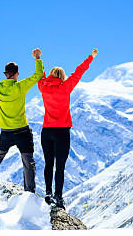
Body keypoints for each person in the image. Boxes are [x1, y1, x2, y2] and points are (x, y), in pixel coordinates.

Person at [0, 48, 44, 193]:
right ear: (17, 74)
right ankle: (29, 192)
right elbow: (38, 74)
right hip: (23, 131)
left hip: (6, 133)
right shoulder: (20, 87)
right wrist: (37, 58)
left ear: (5, 75)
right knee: (28, 162)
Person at [37, 48, 98, 209]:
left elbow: (39, 75)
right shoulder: (65, 87)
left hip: (47, 131)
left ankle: (48, 193)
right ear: (62, 77)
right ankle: (58, 196)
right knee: (60, 166)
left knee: (48, 163)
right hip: (62, 131)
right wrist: (91, 57)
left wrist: (37, 59)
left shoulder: (43, 86)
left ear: (50, 76)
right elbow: (78, 72)